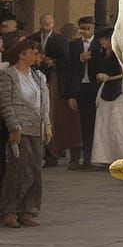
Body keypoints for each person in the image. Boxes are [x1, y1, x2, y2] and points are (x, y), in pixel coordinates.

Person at [0, 37, 52, 227]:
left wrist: (47, 125)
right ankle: (9, 210)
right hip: (20, 127)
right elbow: (6, 103)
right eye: (33, 52)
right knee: (18, 170)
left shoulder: (38, 76)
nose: (36, 56)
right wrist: (14, 126)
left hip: (35, 127)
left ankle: (27, 209)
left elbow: (44, 103)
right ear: (22, 54)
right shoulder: (8, 75)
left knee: (34, 170)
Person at [29, 12, 81, 167]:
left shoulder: (60, 40)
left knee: (58, 118)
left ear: (53, 24)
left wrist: (53, 63)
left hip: (57, 82)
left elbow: (67, 61)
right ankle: (50, 154)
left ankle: (63, 153)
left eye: (49, 24)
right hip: (38, 78)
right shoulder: (33, 38)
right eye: (44, 24)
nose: (47, 27)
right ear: (40, 23)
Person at [89, 27, 123, 168]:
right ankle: (106, 156)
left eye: (104, 40)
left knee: (122, 125)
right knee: (106, 125)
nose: (101, 43)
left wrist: (110, 77)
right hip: (107, 91)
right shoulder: (103, 53)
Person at [68, 16, 98, 167]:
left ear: (93, 28)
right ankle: (80, 157)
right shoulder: (73, 45)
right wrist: (71, 95)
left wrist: (92, 58)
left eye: (88, 28)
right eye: (82, 29)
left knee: (94, 123)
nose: (84, 32)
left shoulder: (99, 44)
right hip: (80, 86)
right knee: (81, 124)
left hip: (95, 87)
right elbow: (70, 70)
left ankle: (92, 156)